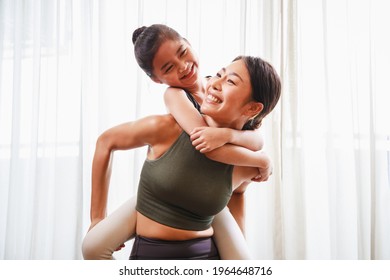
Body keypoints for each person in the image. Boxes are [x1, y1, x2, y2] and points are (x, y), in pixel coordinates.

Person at [82, 24, 277, 259]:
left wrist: (240, 143)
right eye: (168, 67)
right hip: (168, 188)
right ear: (157, 79)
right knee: (93, 246)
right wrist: (97, 218)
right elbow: (207, 147)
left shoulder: (215, 85)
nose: (184, 67)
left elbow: (253, 140)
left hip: (208, 196)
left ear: (189, 43)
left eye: (183, 52)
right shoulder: (175, 97)